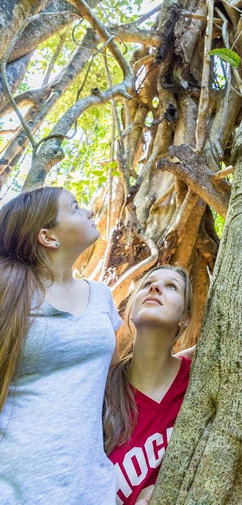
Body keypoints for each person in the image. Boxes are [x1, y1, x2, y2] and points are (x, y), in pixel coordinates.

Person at [0, 187, 122, 504]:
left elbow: (119, 374)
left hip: (89, 487)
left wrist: (197, 362)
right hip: (14, 486)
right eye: (76, 207)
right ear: (48, 237)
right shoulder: (8, 292)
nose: (90, 211)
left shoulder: (101, 296)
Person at [104, 264, 193, 505]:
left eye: (171, 286)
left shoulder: (198, 381)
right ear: (131, 310)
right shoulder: (102, 389)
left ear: (185, 318)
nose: (155, 287)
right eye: (147, 285)